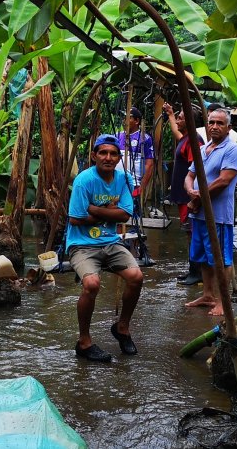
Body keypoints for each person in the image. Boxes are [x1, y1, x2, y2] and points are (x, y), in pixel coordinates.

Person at [67, 134, 144, 362]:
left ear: (119, 157)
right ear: (94, 156)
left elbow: (126, 213)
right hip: (81, 244)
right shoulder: (84, 180)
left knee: (136, 276)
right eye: (103, 153)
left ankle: (122, 328)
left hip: (110, 242)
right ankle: (84, 342)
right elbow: (76, 219)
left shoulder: (124, 179)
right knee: (91, 284)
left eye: (113, 154)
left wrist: (95, 209)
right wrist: (110, 210)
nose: (108, 158)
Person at [183, 108, 237, 317]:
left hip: (218, 215)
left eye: (220, 123)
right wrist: (190, 190)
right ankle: (208, 295)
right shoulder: (204, 147)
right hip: (199, 214)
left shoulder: (232, 149)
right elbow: (190, 174)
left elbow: (224, 180)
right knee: (202, 257)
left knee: (220, 259)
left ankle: (222, 301)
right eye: (212, 122)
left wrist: (198, 196)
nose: (215, 126)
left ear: (228, 127)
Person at [163, 101, 203, 285]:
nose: (177, 120)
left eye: (180, 117)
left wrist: (194, 197)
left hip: (189, 196)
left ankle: (197, 272)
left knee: (193, 233)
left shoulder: (194, 142)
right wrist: (170, 114)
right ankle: (192, 270)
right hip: (182, 196)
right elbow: (176, 132)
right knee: (189, 232)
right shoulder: (185, 138)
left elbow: (196, 172)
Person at [116, 107, 155, 197]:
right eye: (124, 118)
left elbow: (149, 165)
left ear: (137, 121)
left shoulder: (145, 138)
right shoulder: (117, 136)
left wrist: (141, 188)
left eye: (128, 118)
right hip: (115, 183)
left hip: (133, 184)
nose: (124, 120)